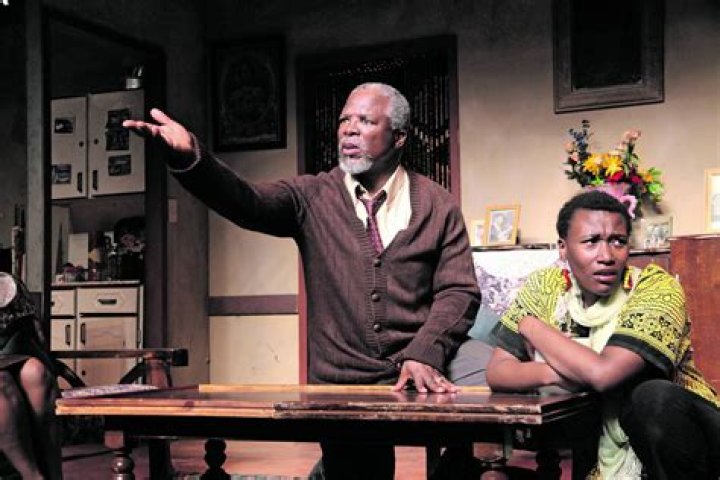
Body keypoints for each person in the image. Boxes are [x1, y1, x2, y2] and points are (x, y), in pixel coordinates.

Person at [124, 82, 487, 479]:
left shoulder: (437, 204)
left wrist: (424, 352)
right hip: (342, 381)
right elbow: (246, 201)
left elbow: (459, 290)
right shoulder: (312, 195)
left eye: (365, 121)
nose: (348, 129)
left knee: (477, 435)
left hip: (417, 368)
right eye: (344, 120)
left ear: (398, 137)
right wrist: (191, 157)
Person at [486, 190, 720, 479]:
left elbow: (603, 374)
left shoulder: (655, 288)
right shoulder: (546, 287)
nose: (606, 256)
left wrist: (532, 327)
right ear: (563, 248)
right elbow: (498, 371)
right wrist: (553, 373)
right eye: (591, 241)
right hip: (595, 436)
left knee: (651, 397)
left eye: (617, 241)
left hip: (692, 440)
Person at [0, 272, 62, 479]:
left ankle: (54, 474)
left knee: (36, 373)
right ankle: (33, 476)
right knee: (1, 382)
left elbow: (32, 334)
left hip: (11, 353)